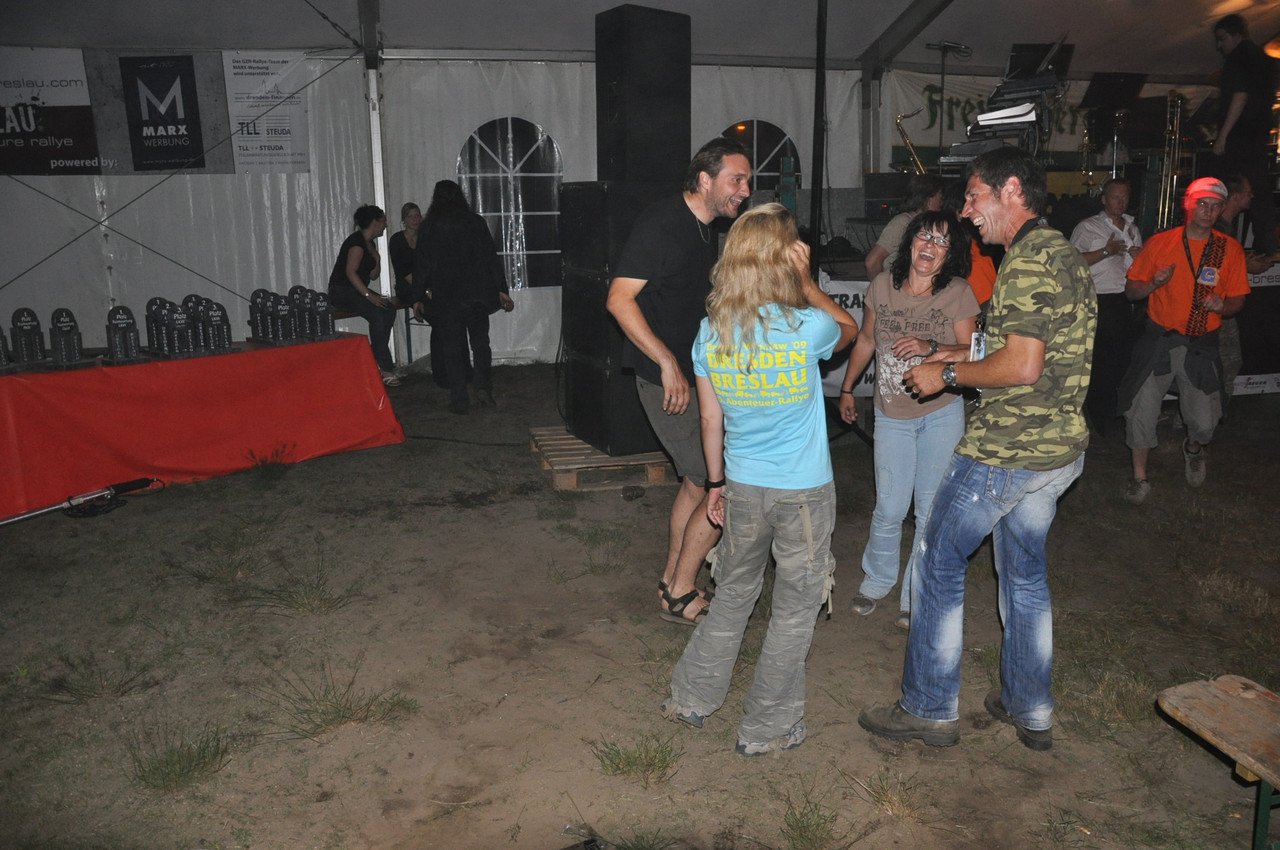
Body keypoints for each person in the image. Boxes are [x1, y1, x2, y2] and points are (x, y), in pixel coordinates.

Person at [858, 147, 1096, 751]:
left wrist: (946, 374)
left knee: (937, 557)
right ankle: (1028, 704)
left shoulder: (1026, 261)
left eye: (972, 197)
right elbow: (1024, 346)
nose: (965, 212)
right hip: (1057, 452)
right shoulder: (1061, 252)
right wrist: (953, 352)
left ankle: (929, 706)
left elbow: (1021, 366)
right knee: (1023, 574)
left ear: (1010, 189)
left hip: (1008, 449)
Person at [659, 203, 858, 755]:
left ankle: (690, 698)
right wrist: (807, 283)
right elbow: (850, 329)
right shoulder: (806, 327)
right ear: (783, 260)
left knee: (732, 595)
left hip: (742, 487)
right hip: (803, 494)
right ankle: (767, 728)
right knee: (794, 611)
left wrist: (715, 486)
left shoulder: (710, 333)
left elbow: (710, 420)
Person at [607, 138, 752, 625]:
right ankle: (680, 591)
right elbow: (619, 299)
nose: (745, 190)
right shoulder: (662, 223)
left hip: (697, 378)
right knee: (719, 484)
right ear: (705, 179)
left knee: (696, 481)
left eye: (747, 181)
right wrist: (667, 361)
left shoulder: (704, 229)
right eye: (737, 179)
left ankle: (673, 580)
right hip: (665, 379)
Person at [839, 210, 979, 630]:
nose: (931, 246)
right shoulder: (882, 285)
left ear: (950, 254)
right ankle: (877, 580)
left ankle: (915, 592)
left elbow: (975, 351)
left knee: (928, 509)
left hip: (941, 413)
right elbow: (866, 339)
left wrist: (930, 345)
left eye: (942, 241)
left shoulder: (957, 292)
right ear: (911, 241)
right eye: (925, 236)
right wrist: (847, 388)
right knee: (889, 506)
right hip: (891, 414)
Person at [1119, 177, 1250, 505]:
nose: (1208, 211)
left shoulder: (1228, 249)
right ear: (1188, 205)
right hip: (1159, 341)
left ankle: (1193, 448)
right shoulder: (1160, 243)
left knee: (1205, 423)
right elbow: (1131, 291)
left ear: (1222, 209)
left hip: (1200, 345)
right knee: (1140, 411)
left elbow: (1238, 299)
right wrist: (1153, 283)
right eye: (1202, 203)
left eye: (1215, 206)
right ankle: (1139, 478)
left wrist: (1223, 306)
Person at [412, 180, 514, 415]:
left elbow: (421, 265)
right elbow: (491, 258)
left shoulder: (429, 227)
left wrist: (417, 297)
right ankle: (483, 388)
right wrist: (501, 289)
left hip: (447, 298)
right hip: (476, 295)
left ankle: (459, 399)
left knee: (453, 349)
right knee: (480, 344)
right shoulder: (475, 222)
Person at [1070, 178, 1144, 435]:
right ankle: (1100, 418)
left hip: (1128, 299)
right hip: (1099, 300)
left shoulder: (1132, 227)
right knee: (1101, 362)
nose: (1120, 202)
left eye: (1124, 197)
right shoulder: (1089, 227)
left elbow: (1139, 267)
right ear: (1104, 199)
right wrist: (1105, 251)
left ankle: (1115, 413)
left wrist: (1141, 258)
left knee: (1123, 361)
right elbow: (1071, 262)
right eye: (1115, 197)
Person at [1211, 14, 1278, 261]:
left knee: (1220, 189)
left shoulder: (1237, 60)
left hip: (1240, 136)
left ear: (1237, 35)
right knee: (1258, 191)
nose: (1220, 45)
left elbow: (1240, 97)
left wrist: (1223, 136)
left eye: (1222, 38)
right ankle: (1266, 247)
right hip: (1257, 134)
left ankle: (1218, 244)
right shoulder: (1264, 60)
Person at [328, 204, 400, 386]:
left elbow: (373, 275)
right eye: (383, 221)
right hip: (341, 291)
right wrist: (370, 296)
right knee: (376, 314)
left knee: (389, 310)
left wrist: (377, 258)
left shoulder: (369, 244)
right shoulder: (356, 243)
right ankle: (386, 368)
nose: (385, 225)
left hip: (355, 290)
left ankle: (374, 357)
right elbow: (350, 272)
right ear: (374, 222)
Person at [864, 174, 944, 278]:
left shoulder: (930, 225)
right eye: (939, 195)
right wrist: (881, 286)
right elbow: (872, 262)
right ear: (928, 198)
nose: (941, 201)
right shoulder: (902, 223)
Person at [388, 202, 421, 303]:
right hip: (406, 288)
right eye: (410, 216)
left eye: (417, 215)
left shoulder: (424, 238)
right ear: (404, 220)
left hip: (423, 284)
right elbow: (403, 270)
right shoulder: (397, 240)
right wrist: (425, 289)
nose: (415, 219)